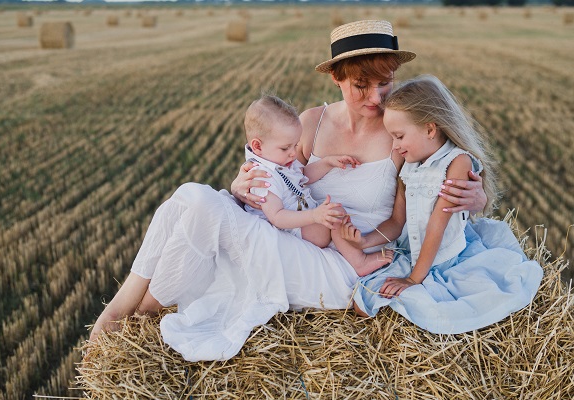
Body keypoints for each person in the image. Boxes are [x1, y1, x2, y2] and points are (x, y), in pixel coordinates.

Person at [89, 20, 488, 362]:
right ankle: (136, 308)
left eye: (385, 84)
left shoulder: (403, 132)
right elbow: (277, 176)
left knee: (197, 200)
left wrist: (477, 198)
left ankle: (130, 311)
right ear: (336, 78)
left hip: (340, 266)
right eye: (361, 85)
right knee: (190, 199)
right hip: (289, 235)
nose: (375, 98)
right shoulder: (311, 123)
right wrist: (240, 187)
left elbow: (422, 201)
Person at [350, 75, 543, 333]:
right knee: (362, 305)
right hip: (413, 252)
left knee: (443, 314)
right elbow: (397, 223)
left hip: (446, 257)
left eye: (398, 136)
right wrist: (364, 241)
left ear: (430, 129)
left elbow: (436, 227)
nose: (395, 147)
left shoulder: (457, 163)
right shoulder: (410, 165)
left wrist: (413, 279)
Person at [242, 93, 394, 272]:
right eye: (285, 148)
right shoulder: (261, 177)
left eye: (295, 146)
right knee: (334, 214)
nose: (293, 153)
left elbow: (303, 176)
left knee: (334, 212)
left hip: (300, 221)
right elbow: (277, 217)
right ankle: (359, 262)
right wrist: (314, 216)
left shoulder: (279, 161)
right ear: (258, 146)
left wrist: (328, 162)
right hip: (290, 231)